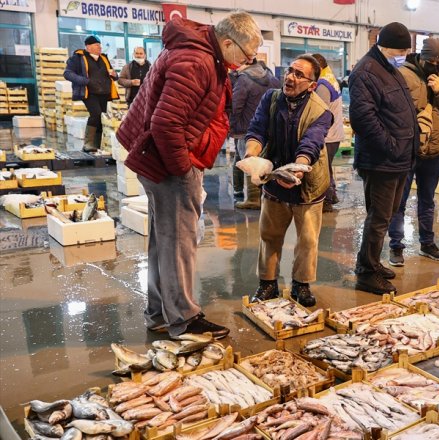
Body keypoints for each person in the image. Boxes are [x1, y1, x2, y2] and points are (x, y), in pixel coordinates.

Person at [117, 11, 262, 338]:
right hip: (167, 163)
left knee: (164, 242)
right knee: (179, 243)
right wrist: (183, 170)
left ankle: (158, 313)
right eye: (247, 53)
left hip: (158, 158)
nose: (248, 60)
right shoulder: (196, 62)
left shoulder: (201, 52)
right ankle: (183, 320)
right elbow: (165, 124)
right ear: (227, 42)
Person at [245, 56, 331, 306]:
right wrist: (252, 154)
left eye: (299, 74)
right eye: (289, 71)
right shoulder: (271, 98)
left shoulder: (321, 111)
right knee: (269, 234)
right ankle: (267, 284)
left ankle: (301, 285)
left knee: (307, 239)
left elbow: (311, 143)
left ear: (312, 85)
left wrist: (297, 171)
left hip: (307, 184)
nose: (290, 77)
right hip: (274, 180)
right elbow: (257, 129)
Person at [349, 22, 418, 295]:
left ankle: (372, 262)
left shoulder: (389, 67)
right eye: (400, 49)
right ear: (385, 45)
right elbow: (363, 118)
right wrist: (390, 146)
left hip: (398, 158)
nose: (403, 54)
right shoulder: (366, 71)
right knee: (378, 218)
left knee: (386, 216)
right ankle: (366, 273)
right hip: (381, 160)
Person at [388, 37, 439, 267]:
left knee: (427, 201)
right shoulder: (402, 75)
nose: (435, 66)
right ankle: (396, 246)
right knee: (399, 201)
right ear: (422, 57)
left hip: (433, 151)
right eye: (431, 61)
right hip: (407, 151)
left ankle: (428, 243)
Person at [232, 60, 281, 207]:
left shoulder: (244, 79)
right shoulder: (273, 79)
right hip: (268, 127)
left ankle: (253, 199)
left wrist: (233, 127)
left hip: (246, 128)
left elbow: (235, 106)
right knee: (261, 159)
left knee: (248, 159)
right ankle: (260, 194)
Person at [64, 35, 119, 153]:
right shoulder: (78, 58)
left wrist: (115, 75)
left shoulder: (104, 58)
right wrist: (85, 81)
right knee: (96, 114)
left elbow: (113, 75)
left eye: (100, 45)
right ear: (88, 47)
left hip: (104, 93)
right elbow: (67, 73)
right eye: (96, 45)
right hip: (89, 92)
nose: (99, 47)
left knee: (102, 118)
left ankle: (96, 146)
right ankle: (88, 144)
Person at [311, 53, 344, 212]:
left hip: (328, 135)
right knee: (327, 168)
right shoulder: (330, 78)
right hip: (333, 133)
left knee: (323, 169)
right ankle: (331, 196)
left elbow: (318, 112)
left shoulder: (323, 85)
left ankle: (327, 200)